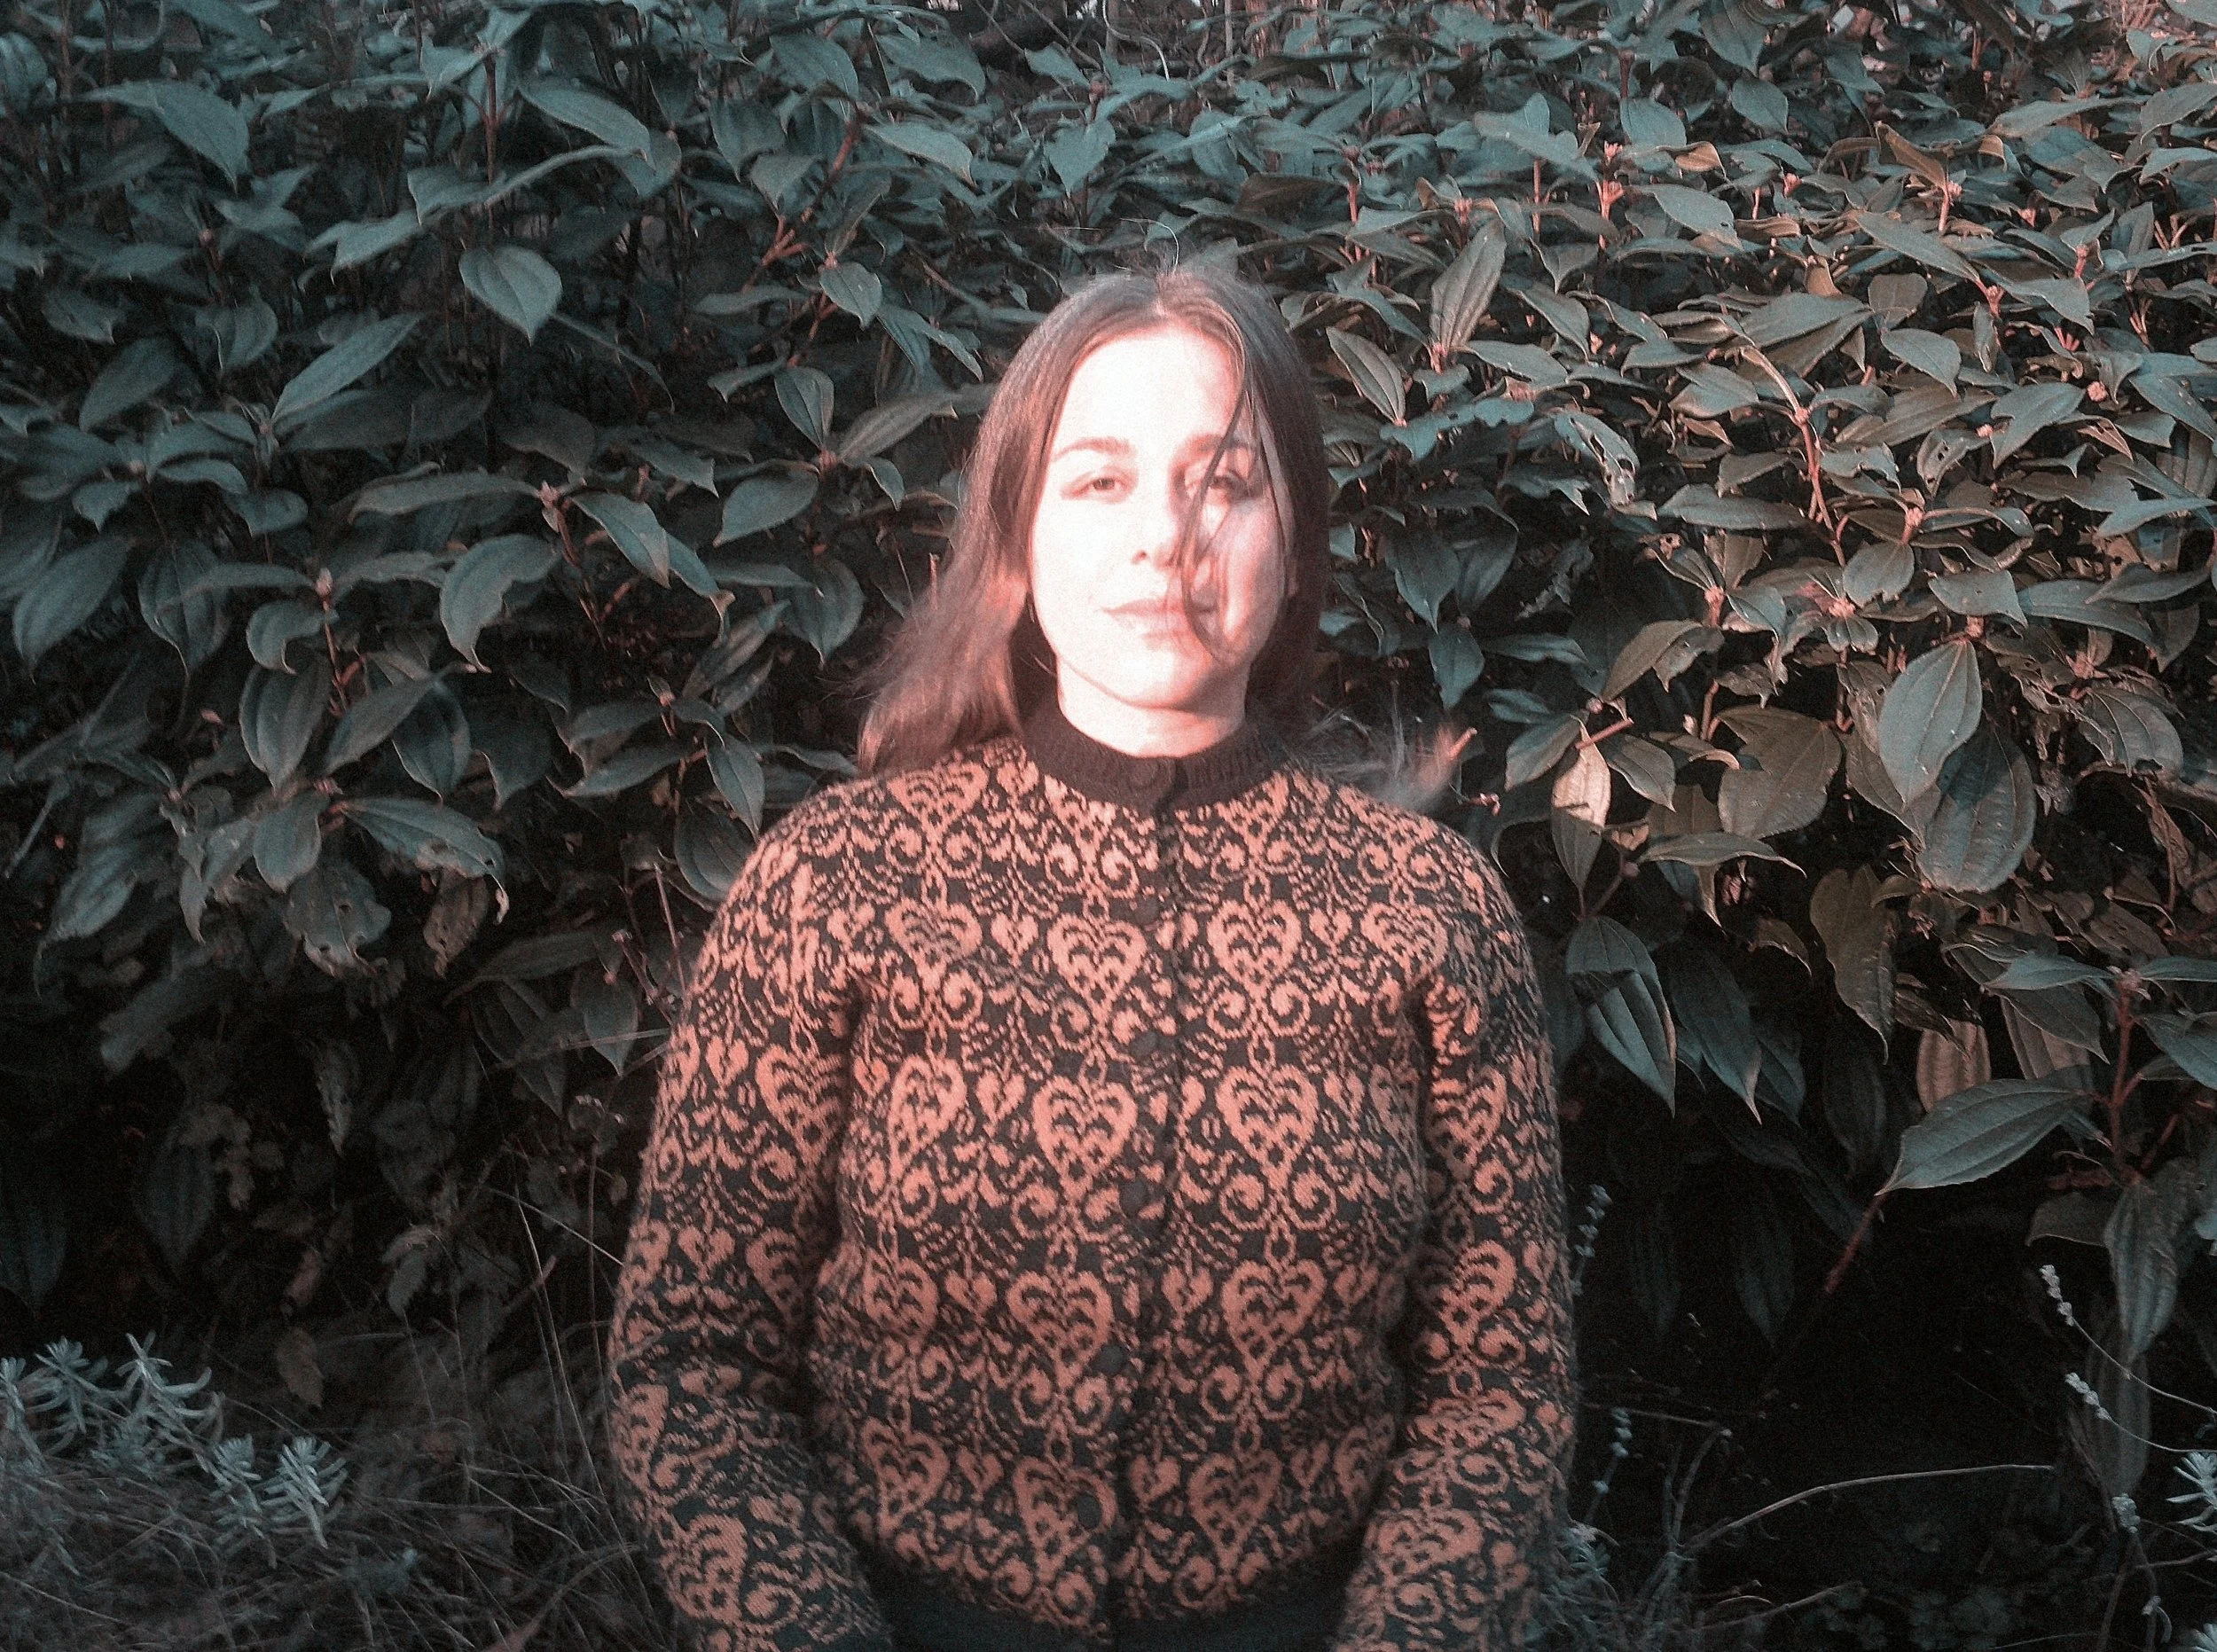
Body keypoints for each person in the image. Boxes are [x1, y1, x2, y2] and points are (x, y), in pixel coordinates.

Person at [605, 263, 1574, 1652]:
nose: (1166, 536)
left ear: (1293, 534)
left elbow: (1504, 1381)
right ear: (1017, 532)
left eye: (1225, 480)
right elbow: (687, 1366)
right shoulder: (834, 885)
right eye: (1101, 481)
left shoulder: (1432, 912)